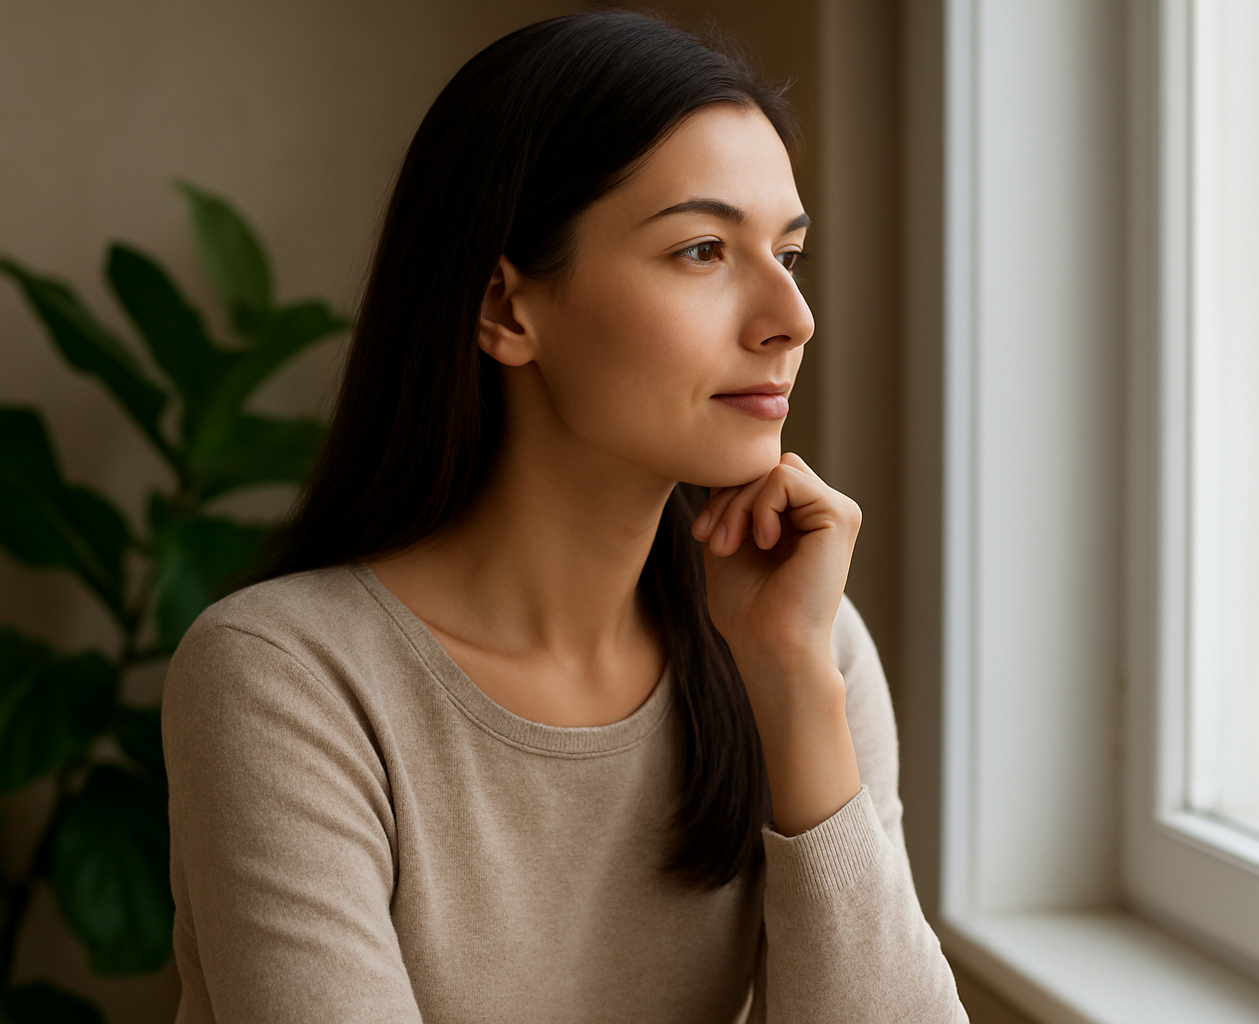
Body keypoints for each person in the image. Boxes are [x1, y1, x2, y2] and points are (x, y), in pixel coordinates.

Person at [162, 10, 967, 1023]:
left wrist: (795, 685)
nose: (792, 319)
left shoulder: (804, 645)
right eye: (704, 250)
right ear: (505, 308)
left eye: (790, 254)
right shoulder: (286, 677)